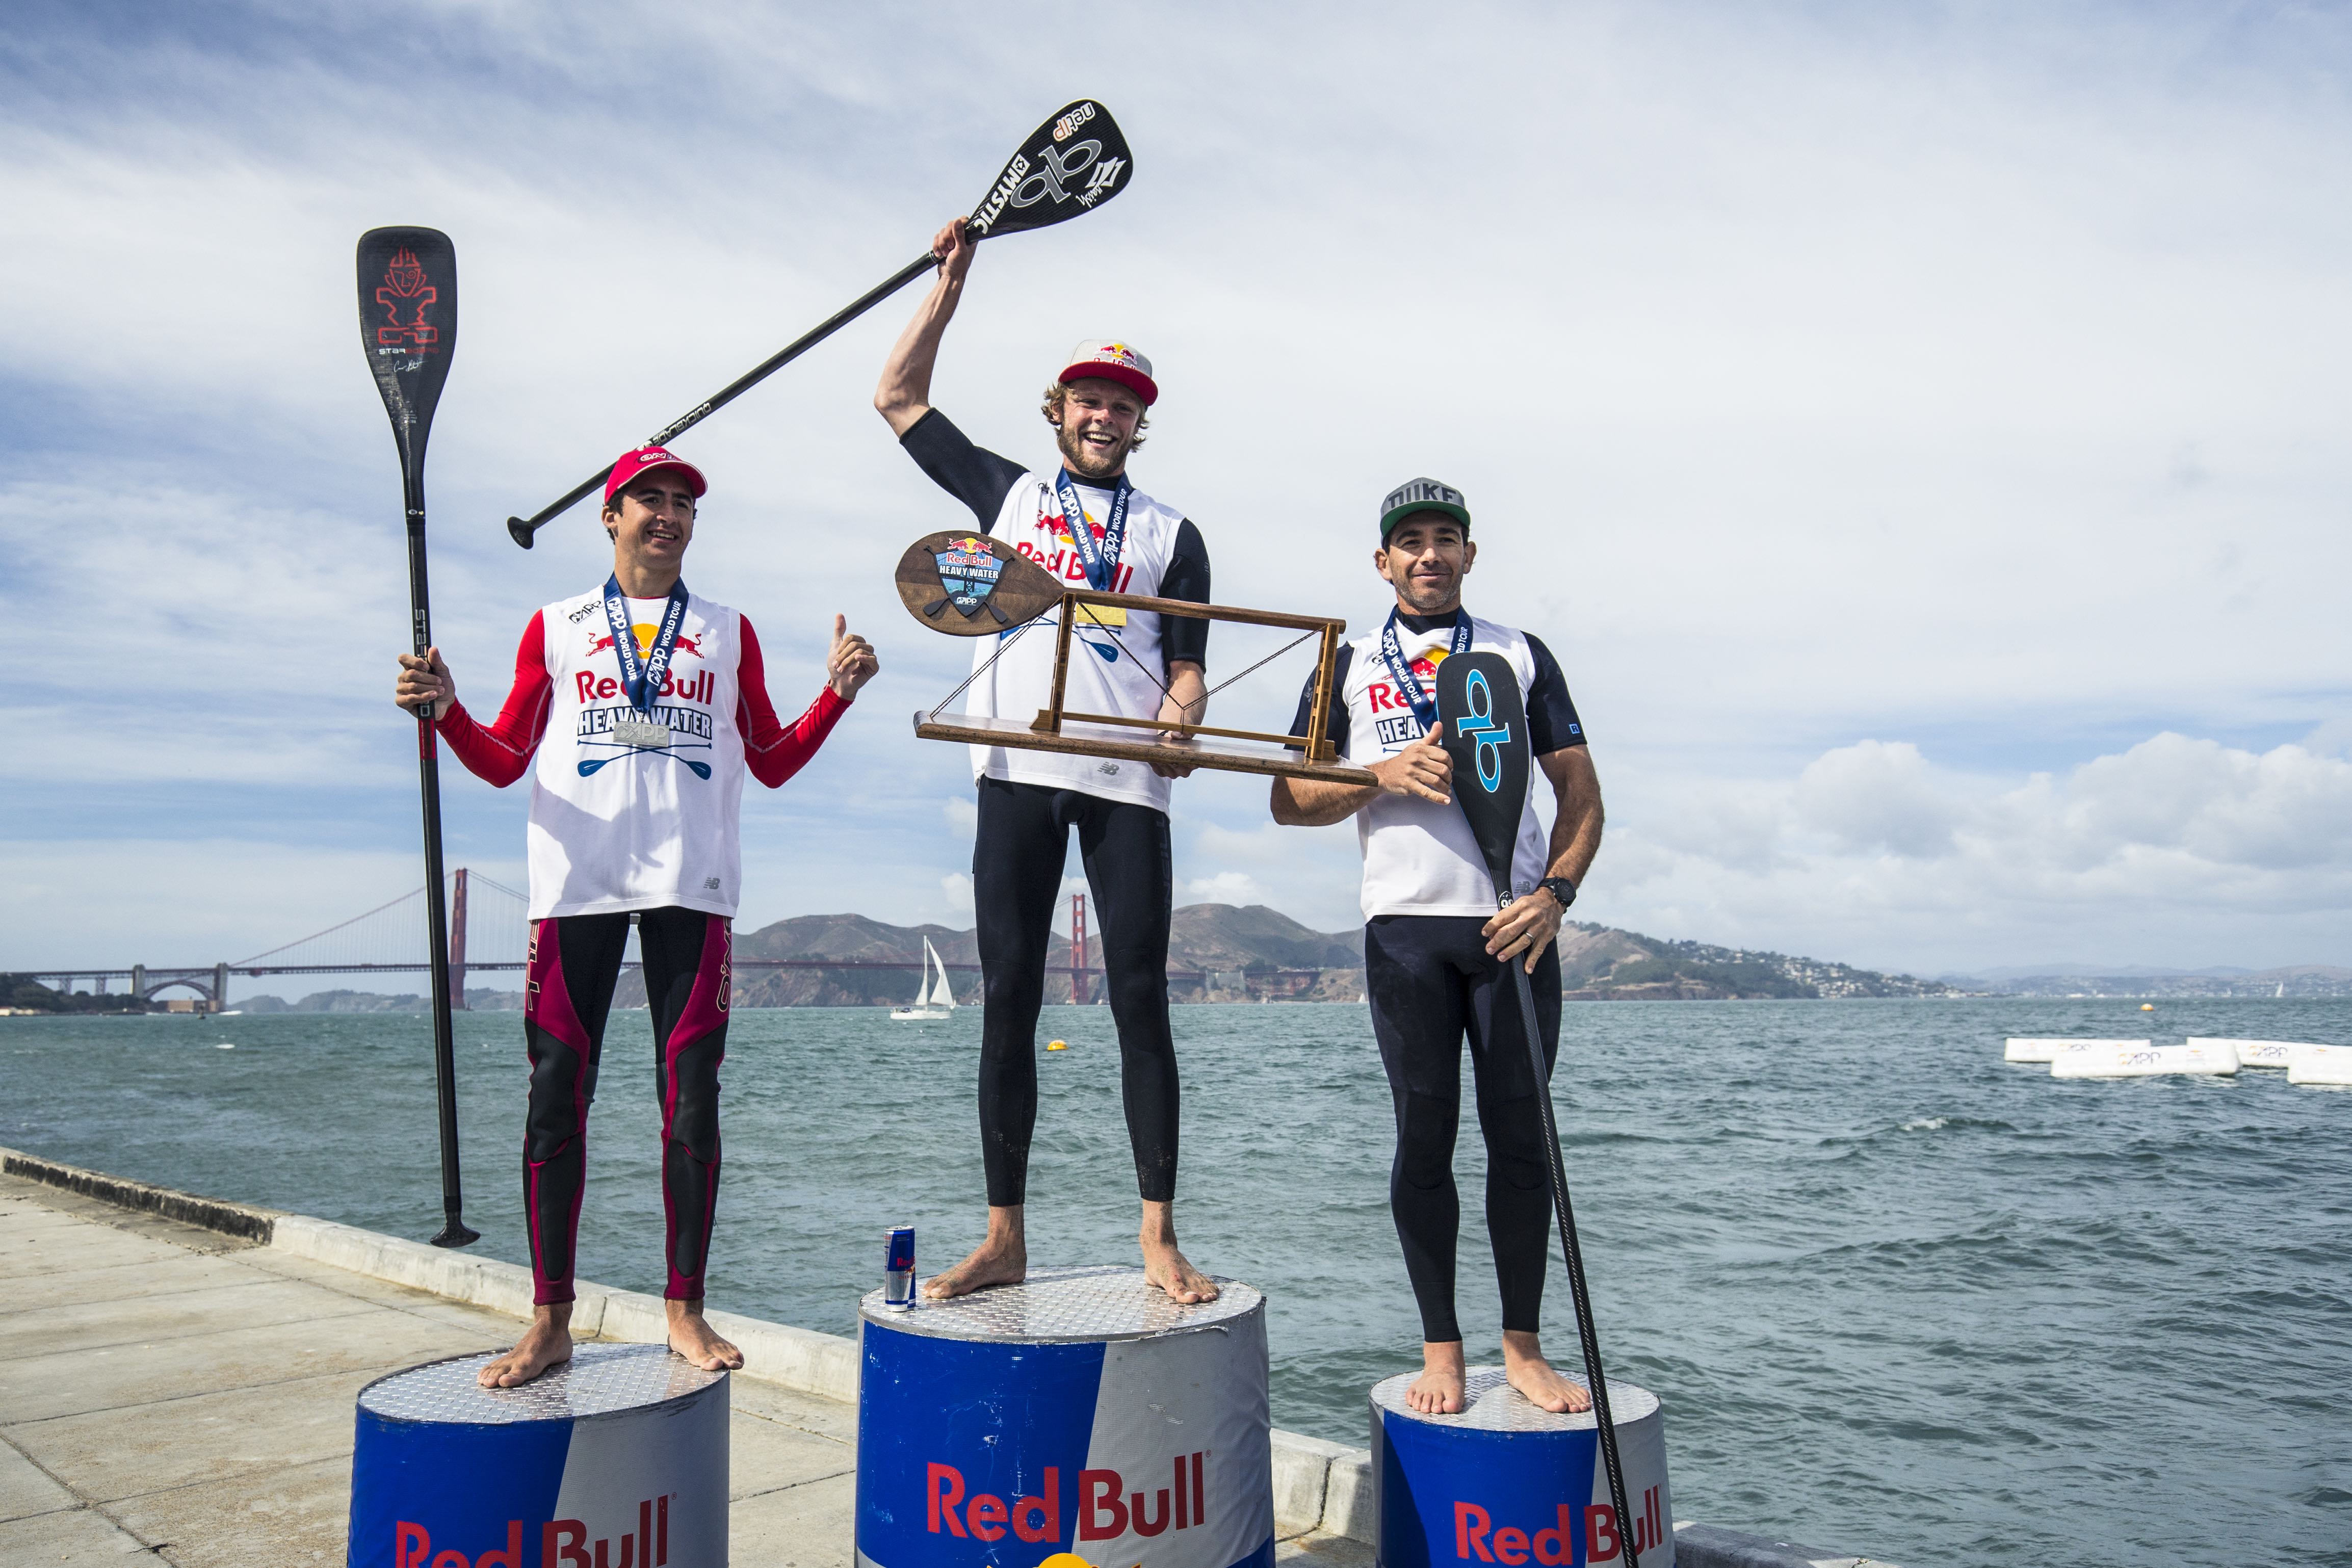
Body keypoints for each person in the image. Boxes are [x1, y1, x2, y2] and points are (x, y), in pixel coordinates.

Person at [393, 446, 878, 1387]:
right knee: (553, 1103)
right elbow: (502, 759)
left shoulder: (730, 630)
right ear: (608, 518)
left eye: (682, 503)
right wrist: (446, 710)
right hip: (574, 889)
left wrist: (837, 696)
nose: (667, 514)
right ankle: (548, 1322)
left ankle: (684, 1314)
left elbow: (771, 759)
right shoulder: (557, 625)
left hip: (691, 891)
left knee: (691, 1101)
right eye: (646, 500)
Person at [873, 217, 1218, 1303]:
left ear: (1140, 422)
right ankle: (1004, 1235)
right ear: (1060, 410)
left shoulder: (1175, 532)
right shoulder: (1008, 494)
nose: (1106, 414)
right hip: (1016, 771)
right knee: (1010, 997)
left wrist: (1184, 719)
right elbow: (896, 397)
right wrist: (949, 288)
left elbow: (1189, 668)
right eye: (1089, 398)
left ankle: (1158, 1233)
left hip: (1127, 784)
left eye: (1124, 403)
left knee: (1138, 1001)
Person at [1269, 477, 1604, 1415]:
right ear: (1383, 562)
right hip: (1405, 930)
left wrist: (1556, 895)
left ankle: (1524, 1350)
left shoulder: (1518, 653)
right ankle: (1442, 1352)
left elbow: (1580, 792)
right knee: (1425, 1139)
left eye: (1444, 539)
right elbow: (1287, 801)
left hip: (1513, 928)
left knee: (1520, 1143)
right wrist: (1374, 774)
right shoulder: (1343, 661)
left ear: (1469, 554)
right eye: (1408, 541)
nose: (1428, 555)